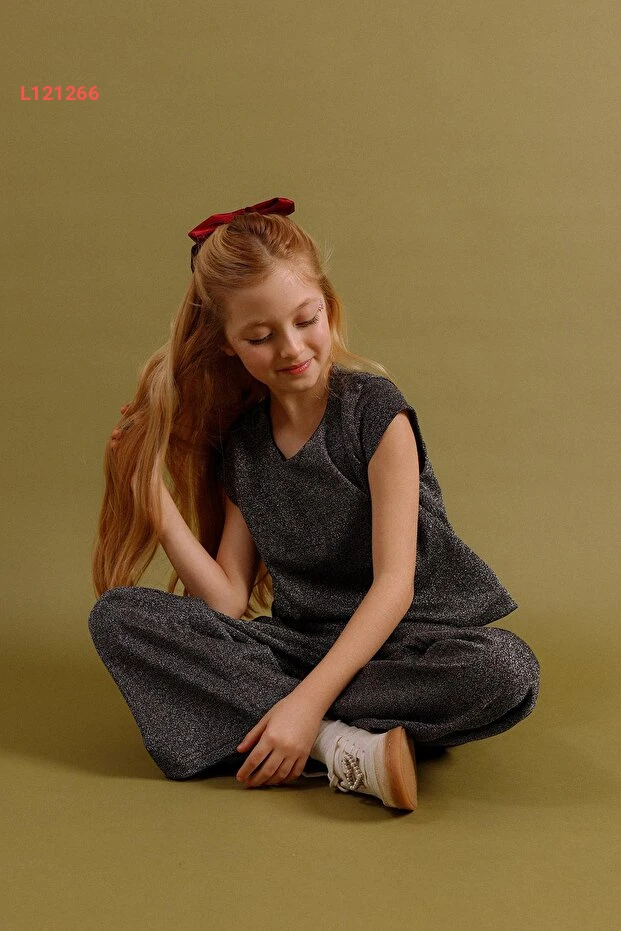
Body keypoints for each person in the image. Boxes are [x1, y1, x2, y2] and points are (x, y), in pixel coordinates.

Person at [88, 196, 540, 813]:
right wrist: (149, 494)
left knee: (506, 670)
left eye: (307, 319)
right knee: (119, 617)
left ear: (328, 305)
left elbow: (394, 586)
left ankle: (289, 719)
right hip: (303, 647)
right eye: (259, 336)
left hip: (410, 645)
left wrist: (304, 701)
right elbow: (225, 601)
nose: (291, 348)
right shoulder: (244, 446)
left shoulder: (376, 414)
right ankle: (339, 745)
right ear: (226, 344)